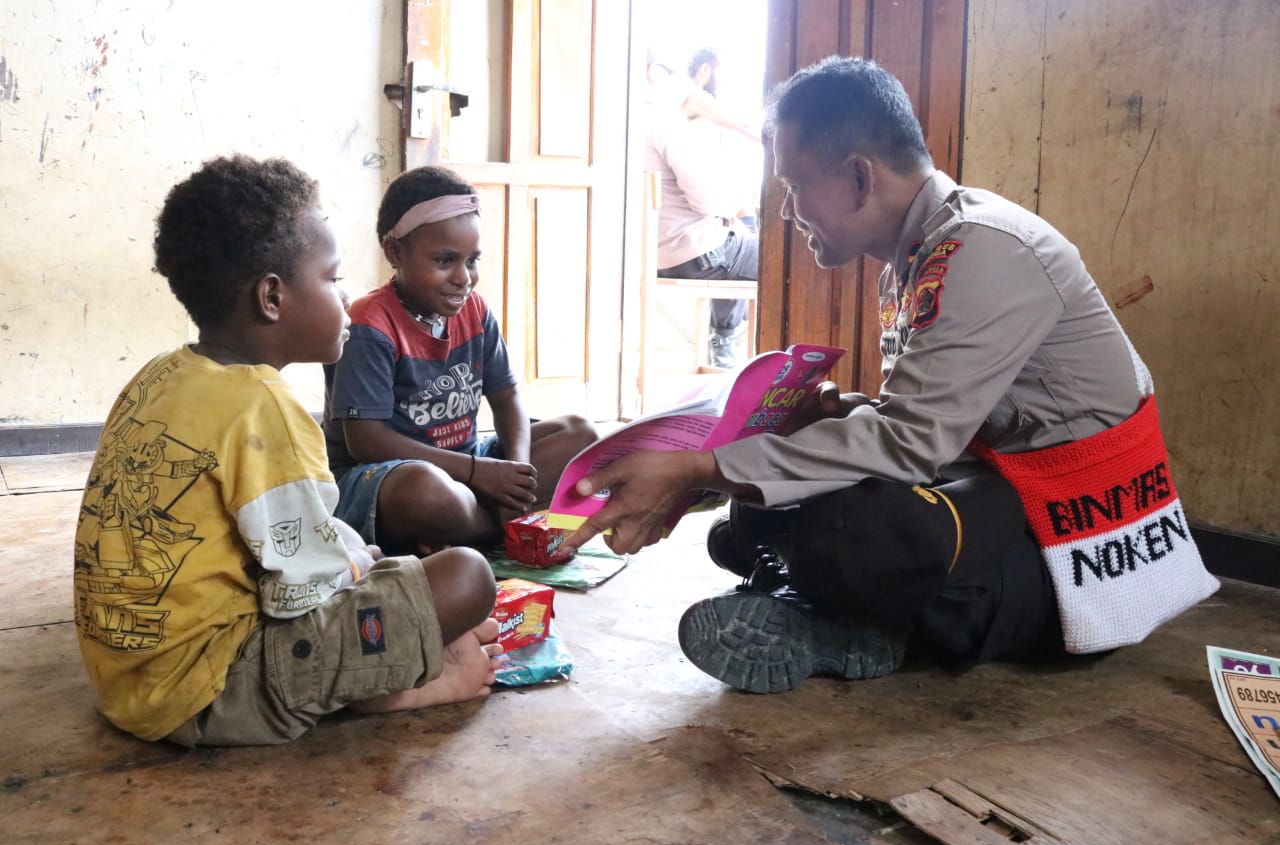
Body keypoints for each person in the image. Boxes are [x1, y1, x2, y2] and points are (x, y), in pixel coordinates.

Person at [560, 56, 1217, 693]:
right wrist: (838, 411)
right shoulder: (915, 260)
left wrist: (697, 467)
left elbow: (910, 442)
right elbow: (933, 421)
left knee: (859, 531)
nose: (787, 212)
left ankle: (835, 619)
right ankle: (829, 611)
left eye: (795, 186)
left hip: (1080, 535)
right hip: (1003, 488)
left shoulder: (984, 248)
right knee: (749, 521)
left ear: (858, 177)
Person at [73, 155, 503, 746]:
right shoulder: (263, 406)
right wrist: (362, 566)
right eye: (331, 278)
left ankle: (399, 649)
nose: (345, 296)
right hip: (215, 691)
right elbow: (305, 594)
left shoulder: (159, 376)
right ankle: (400, 688)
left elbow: (266, 536)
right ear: (272, 297)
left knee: (365, 555)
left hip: (127, 681)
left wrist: (351, 554)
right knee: (466, 578)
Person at [323, 166, 597, 558]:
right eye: (445, 260)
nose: (463, 278)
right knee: (424, 491)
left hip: (471, 464)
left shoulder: (475, 311)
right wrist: (476, 473)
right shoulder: (370, 325)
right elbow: (367, 441)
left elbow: (507, 398)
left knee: (580, 434)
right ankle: (499, 527)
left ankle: (476, 526)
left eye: (472, 261)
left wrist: (516, 476)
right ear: (395, 252)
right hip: (384, 476)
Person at [646, 46, 760, 369]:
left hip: (649, 255)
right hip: (690, 253)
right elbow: (706, 200)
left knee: (737, 240)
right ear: (654, 73)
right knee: (781, 256)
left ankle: (723, 343)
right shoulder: (664, 118)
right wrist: (728, 206)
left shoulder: (617, 123)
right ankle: (735, 348)